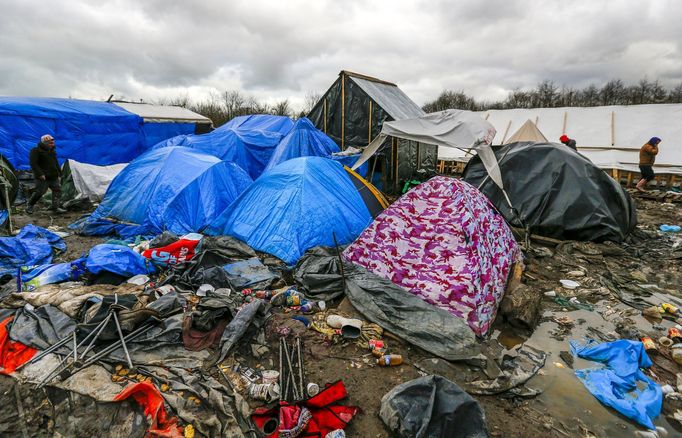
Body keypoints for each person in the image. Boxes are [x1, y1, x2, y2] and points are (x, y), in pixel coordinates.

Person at [26, 134, 66, 214]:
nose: (52, 144)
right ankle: (30, 205)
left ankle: (55, 207)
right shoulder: (36, 151)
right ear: (45, 143)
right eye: (50, 143)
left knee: (57, 190)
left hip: (53, 176)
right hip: (43, 177)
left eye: (53, 143)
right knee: (40, 192)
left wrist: (59, 173)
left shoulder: (52, 151)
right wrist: (40, 174)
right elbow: (33, 163)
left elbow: (56, 163)